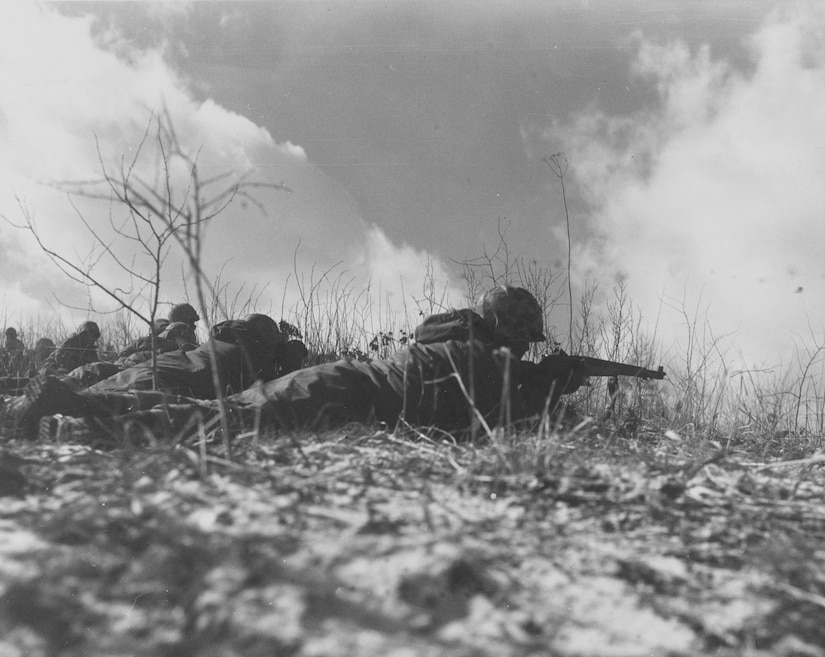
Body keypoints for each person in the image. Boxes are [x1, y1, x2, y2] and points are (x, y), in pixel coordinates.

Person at [0, 287, 580, 441]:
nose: (529, 350)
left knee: (215, 413)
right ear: (507, 331)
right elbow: (493, 417)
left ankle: (71, 406)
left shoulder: (447, 339)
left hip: (336, 386)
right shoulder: (479, 359)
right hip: (341, 396)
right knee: (213, 422)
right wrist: (554, 386)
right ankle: (68, 403)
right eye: (525, 340)